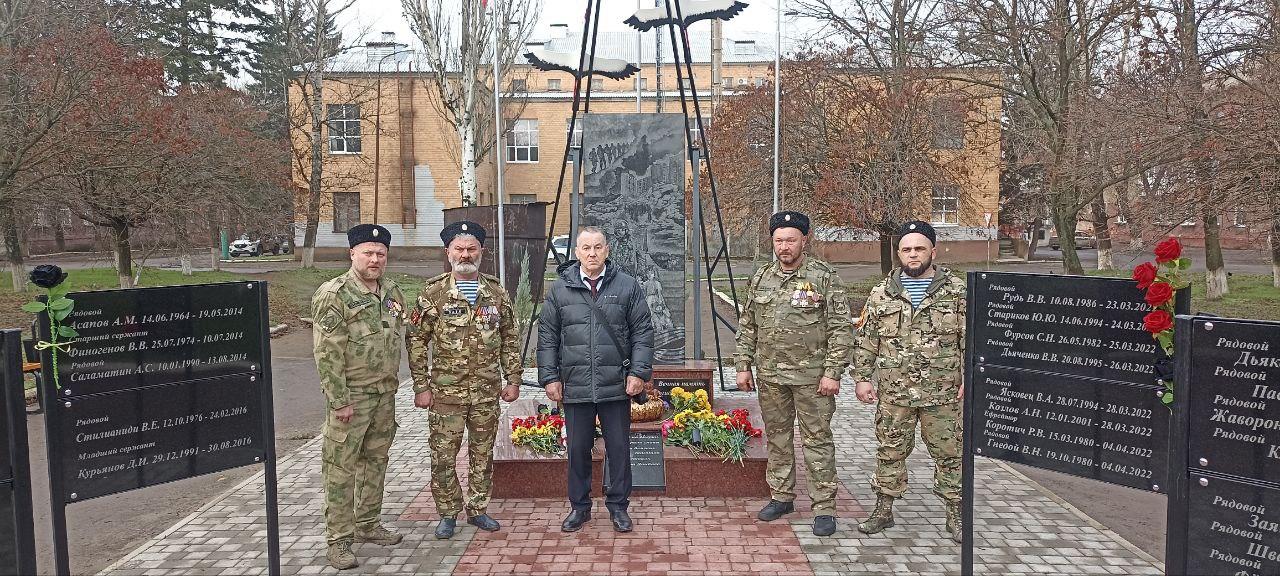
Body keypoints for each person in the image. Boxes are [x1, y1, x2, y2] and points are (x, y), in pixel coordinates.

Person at [735, 211, 854, 537]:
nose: (784, 247)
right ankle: (782, 496)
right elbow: (748, 325)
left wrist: (833, 372)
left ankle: (824, 507)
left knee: (817, 440)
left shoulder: (823, 277)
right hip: (771, 376)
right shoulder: (761, 277)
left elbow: (841, 328)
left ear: (805, 240)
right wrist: (743, 364)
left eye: (790, 240)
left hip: (812, 379)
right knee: (778, 437)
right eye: (779, 241)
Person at [406, 221, 523, 540]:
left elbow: (510, 337)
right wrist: (421, 386)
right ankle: (447, 513)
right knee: (443, 456)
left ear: (482, 252)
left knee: (482, 455)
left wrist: (513, 379)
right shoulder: (433, 293)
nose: (465, 255)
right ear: (448, 252)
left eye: (471, 249)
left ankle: (478, 509)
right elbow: (416, 340)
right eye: (459, 249)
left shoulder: (496, 292)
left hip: (486, 392)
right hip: (446, 394)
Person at [853, 220, 967, 543]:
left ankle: (955, 513)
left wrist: (970, 378)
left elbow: (970, 341)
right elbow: (867, 340)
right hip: (894, 394)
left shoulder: (956, 292)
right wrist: (862, 378)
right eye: (906, 249)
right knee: (890, 451)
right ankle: (883, 510)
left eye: (919, 248)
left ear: (934, 251)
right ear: (899, 253)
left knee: (950, 453)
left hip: (942, 394)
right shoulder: (882, 293)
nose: (913, 254)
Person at [537, 226, 654, 533]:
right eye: (586, 248)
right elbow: (547, 337)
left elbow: (643, 332)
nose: (592, 253)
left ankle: (618, 507)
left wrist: (638, 372)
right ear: (576, 252)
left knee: (619, 449)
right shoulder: (559, 290)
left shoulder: (627, 286)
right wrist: (550, 377)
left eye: (598, 247)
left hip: (615, 383)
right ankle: (579, 507)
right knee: (577, 450)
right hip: (575, 384)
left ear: (607, 250)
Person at [312, 224, 406, 570]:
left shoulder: (392, 291)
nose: (375, 259)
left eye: (380, 254)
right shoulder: (334, 294)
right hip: (352, 398)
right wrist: (339, 401)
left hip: (384, 396)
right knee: (340, 469)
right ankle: (338, 540)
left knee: (375, 462)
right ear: (352, 254)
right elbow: (327, 353)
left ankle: (367, 524)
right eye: (368, 253)